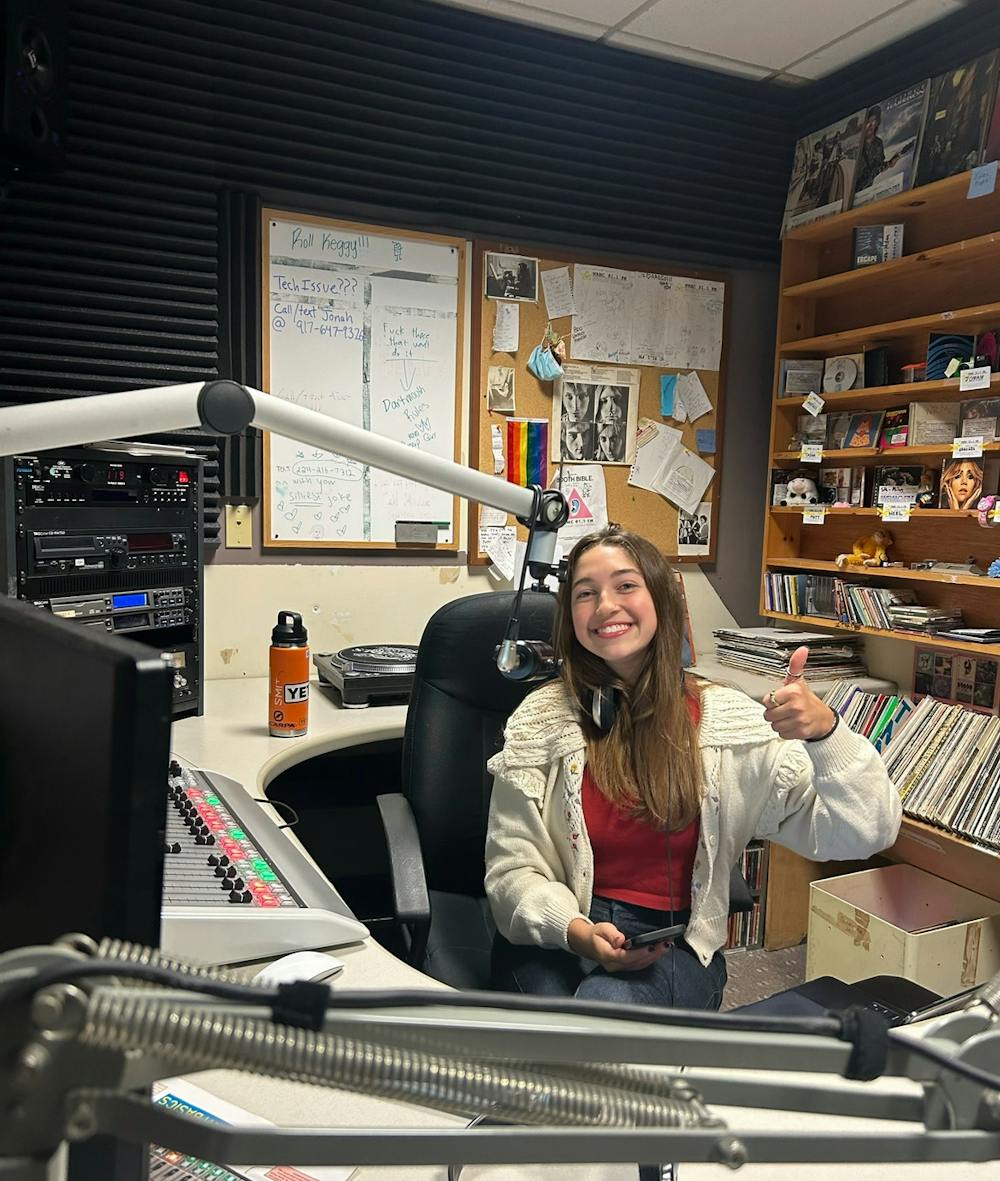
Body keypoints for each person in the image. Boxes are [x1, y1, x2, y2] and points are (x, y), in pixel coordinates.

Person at [485, 526, 902, 1010]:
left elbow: (867, 832)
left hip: (670, 943)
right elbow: (511, 870)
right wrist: (574, 931)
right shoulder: (540, 722)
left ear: (661, 600)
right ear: (570, 616)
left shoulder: (732, 725)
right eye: (585, 593)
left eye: (625, 585)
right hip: (560, 926)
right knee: (546, 1035)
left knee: (601, 1020)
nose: (604, 606)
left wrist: (826, 734)